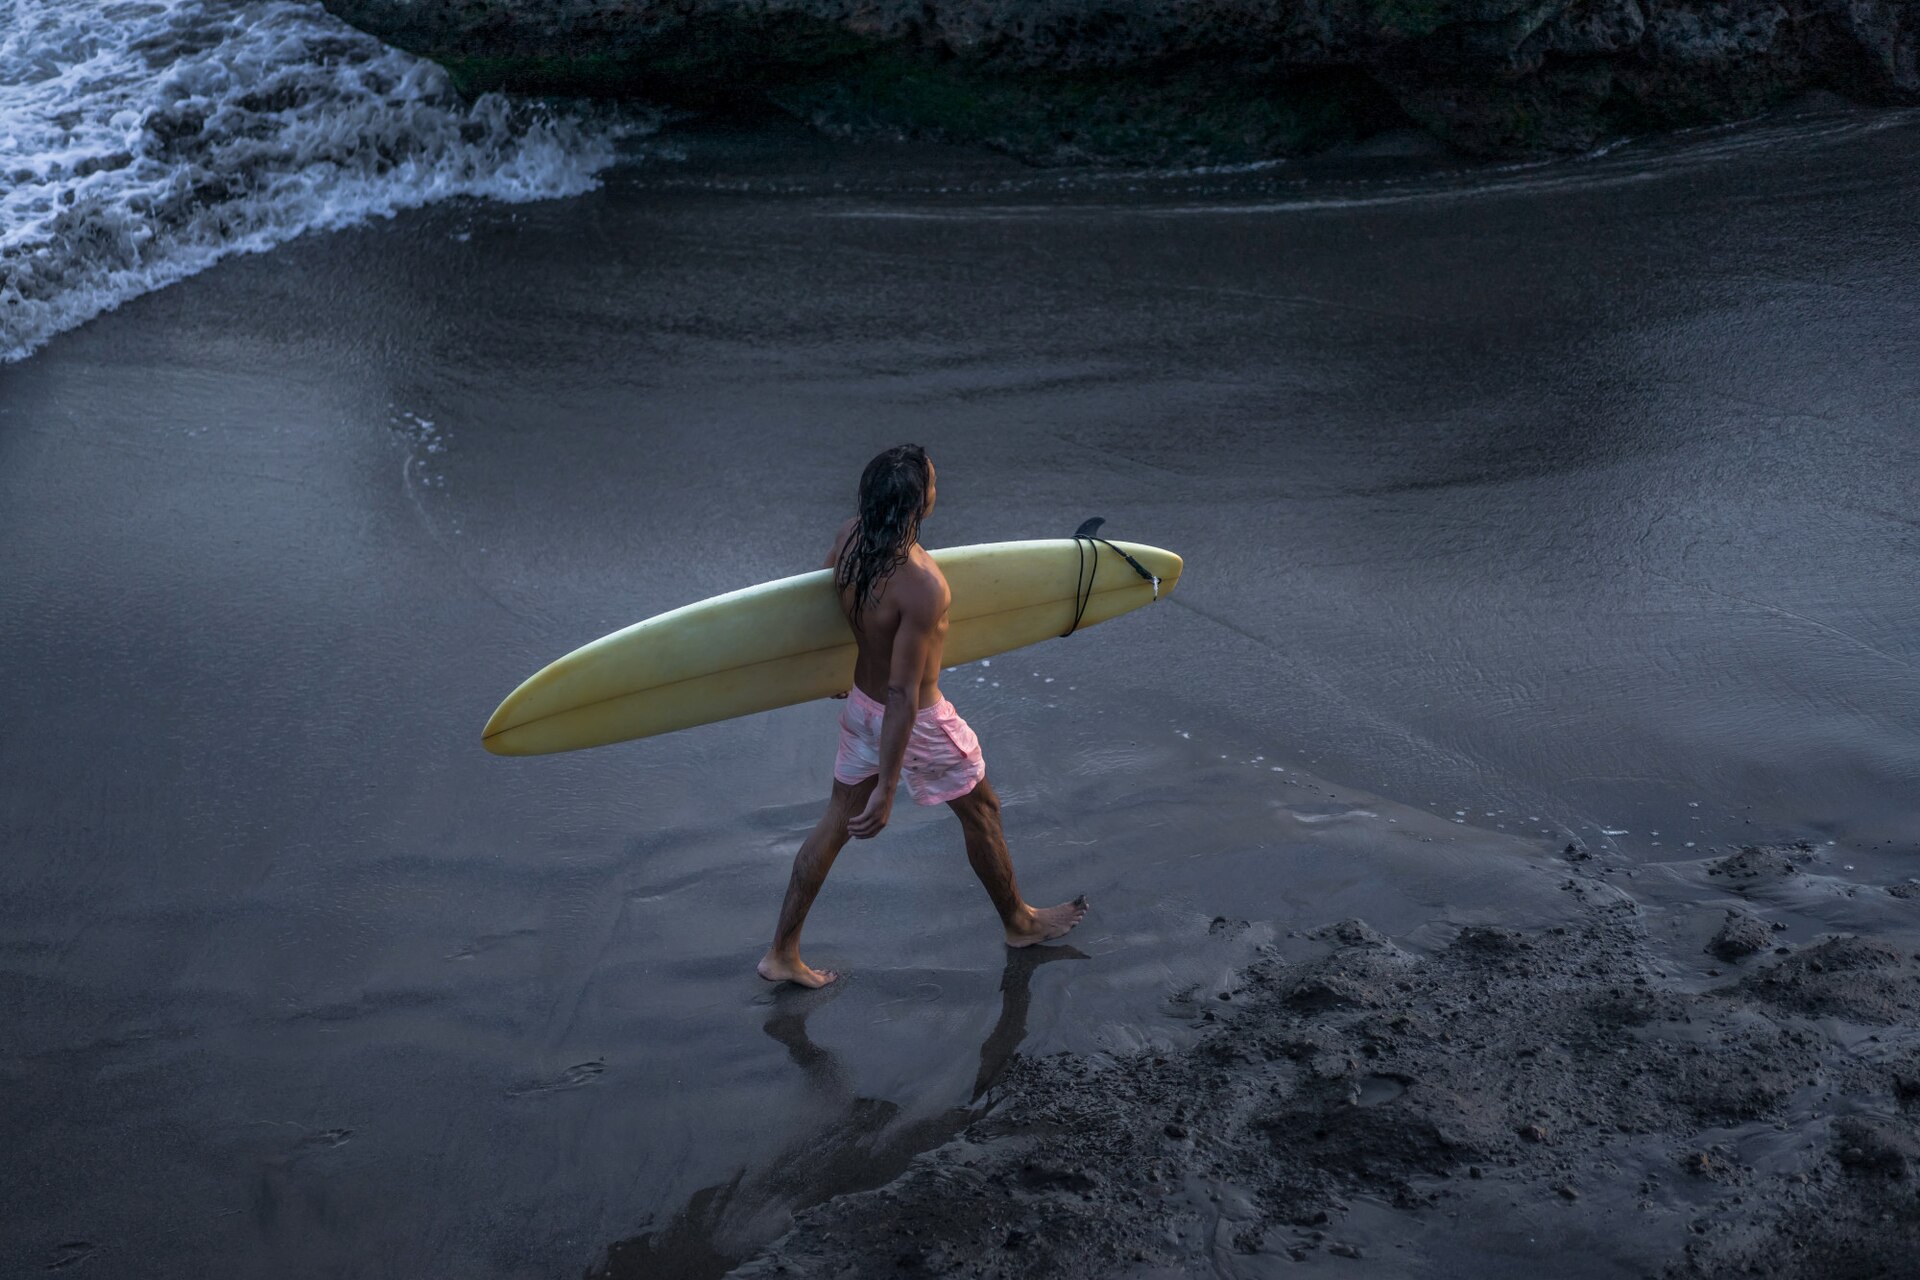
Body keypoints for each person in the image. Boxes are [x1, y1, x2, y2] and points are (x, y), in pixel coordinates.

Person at [756, 445, 1088, 987]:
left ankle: (781, 953)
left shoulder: (849, 537)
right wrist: (888, 790)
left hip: (861, 707)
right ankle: (1019, 923)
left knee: (836, 821)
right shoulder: (922, 585)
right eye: (933, 483)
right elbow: (903, 693)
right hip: (915, 722)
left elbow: (823, 610)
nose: (938, 488)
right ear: (919, 504)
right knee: (981, 810)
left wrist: (829, 675)